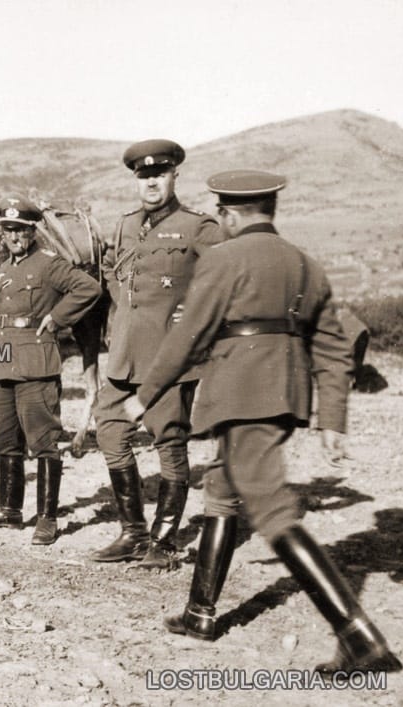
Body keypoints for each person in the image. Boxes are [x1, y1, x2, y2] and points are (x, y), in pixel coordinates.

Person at [124, 170, 401, 674]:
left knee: (272, 512)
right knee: (223, 491)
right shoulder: (305, 264)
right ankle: (199, 614)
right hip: (285, 395)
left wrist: (143, 396)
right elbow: (337, 346)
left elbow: (189, 336)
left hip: (240, 394)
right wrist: (332, 418)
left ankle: (360, 639)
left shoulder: (223, 257)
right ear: (269, 210)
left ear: (228, 214)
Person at [91, 139, 226, 568]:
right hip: (124, 354)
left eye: (159, 174)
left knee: (168, 442)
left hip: (169, 357)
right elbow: (115, 275)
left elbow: (224, 280)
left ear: (173, 176)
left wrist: (191, 313)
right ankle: (132, 533)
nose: (151, 182)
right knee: (109, 431)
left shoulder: (198, 227)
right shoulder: (126, 225)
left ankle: (164, 542)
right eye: (144, 176)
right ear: (137, 180)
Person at [0, 194, 101, 544]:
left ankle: (47, 518)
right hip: (1, 361)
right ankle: (10, 510)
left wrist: (57, 318)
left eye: (21, 230)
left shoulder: (48, 263)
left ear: (32, 232)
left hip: (35, 360)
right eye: (8, 230)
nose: (14, 237)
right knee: (4, 438)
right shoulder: (2, 269)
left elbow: (88, 288)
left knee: (43, 441)